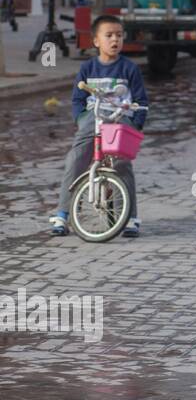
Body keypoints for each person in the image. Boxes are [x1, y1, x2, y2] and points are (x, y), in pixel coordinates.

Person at [49, 15, 149, 236]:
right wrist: (80, 119)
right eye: (109, 35)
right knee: (75, 160)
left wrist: (136, 124)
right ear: (96, 41)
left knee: (122, 165)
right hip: (92, 119)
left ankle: (130, 218)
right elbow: (77, 99)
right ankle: (63, 215)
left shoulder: (129, 68)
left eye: (119, 35)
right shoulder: (88, 68)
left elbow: (141, 101)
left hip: (119, 120)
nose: (115, 40)